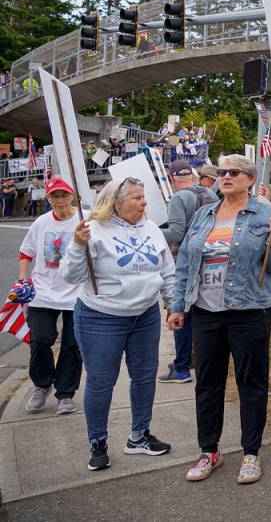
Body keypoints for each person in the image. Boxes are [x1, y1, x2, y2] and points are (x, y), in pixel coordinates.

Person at [168, 155, 271, 484]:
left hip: (249, 311)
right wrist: (177, 306)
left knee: (251, 383)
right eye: (222, 172)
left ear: (249, 178)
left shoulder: (265, 213)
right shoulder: (204, 214)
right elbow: (185, 263)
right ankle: (209, 451)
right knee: (208, 383)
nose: (225, 177)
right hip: (205, 312)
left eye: (234, 172)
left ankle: (251, 453)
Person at [60, 177, 175, 471]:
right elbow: (70, 276)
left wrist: (172, 304)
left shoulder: (151, 228)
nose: (144, 202)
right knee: (101, 382)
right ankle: (97, 442)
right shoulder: (92, 229)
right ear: (117, 202)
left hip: (145, 316)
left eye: (143, 196)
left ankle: (139, 436)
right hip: (101, 317)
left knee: (145, 377)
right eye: (137, 197)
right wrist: (77, 245)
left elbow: (167, 271)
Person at [18, 177, 83, 415]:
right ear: (48, 198)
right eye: (54, 196)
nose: (60, 200)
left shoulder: (84, 219)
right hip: (43, 291)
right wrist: (23, 280)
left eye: (63, 195)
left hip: (77, 292)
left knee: (72, 344)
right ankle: (42, 384)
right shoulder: (41, 222)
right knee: (40, 339)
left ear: (72, 196)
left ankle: (65, 394)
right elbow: (25, 253)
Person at [158, 160, 218, 384]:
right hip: (210, 261)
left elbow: (175, 233)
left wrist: (149, 230)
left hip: (185, 262)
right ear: (192, 176)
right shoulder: (211, 194)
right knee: (201, 312)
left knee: (180, 312)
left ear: (172, 179)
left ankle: (182, 367)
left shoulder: (178, 198)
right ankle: (199, 361)